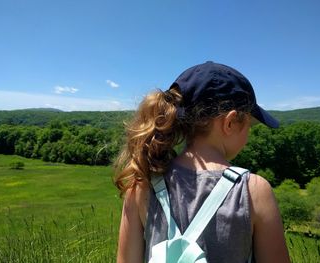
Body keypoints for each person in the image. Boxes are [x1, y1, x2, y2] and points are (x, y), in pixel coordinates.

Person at [114, 61, 290, 263]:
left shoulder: (141, 185)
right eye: (249, 124)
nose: (249, 134)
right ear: (230, 122)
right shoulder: (255, 191)